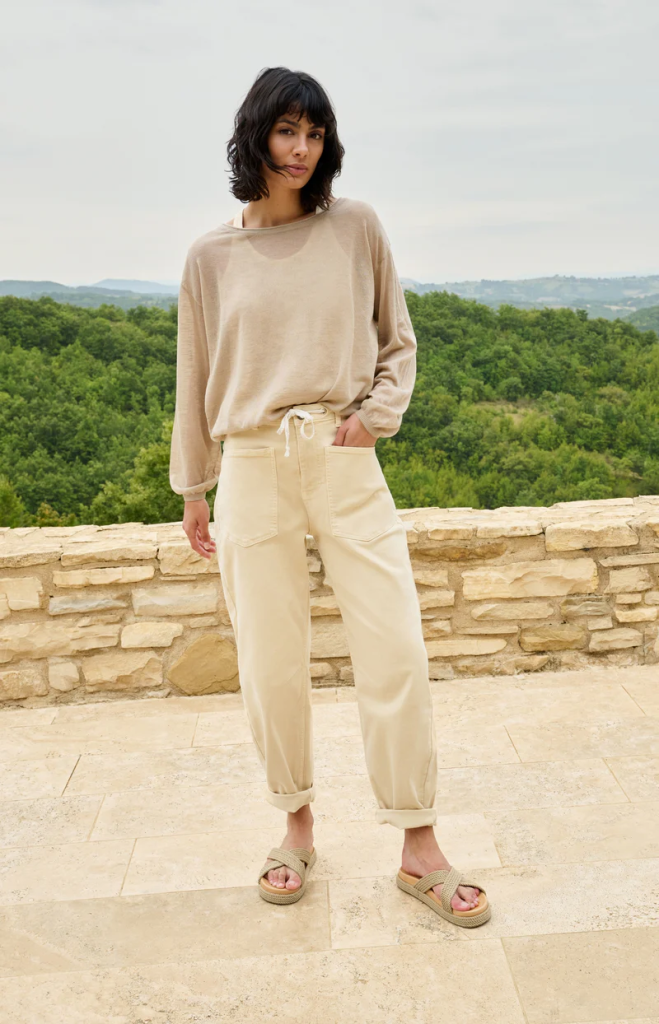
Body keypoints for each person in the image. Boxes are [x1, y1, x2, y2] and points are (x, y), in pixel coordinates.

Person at [170, 66, 490, 928]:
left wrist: (373, 420)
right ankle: (296, 826)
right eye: (286, 131)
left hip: (343, 458)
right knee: (270, 660)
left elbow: (397, 340)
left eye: (314, 133)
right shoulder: (208, 257)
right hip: (250, 465)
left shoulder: (355, 227)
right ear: (255, 135)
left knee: (396, 650)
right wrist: (193, 484)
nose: (301, 149)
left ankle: (418, 843)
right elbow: (194, 374)